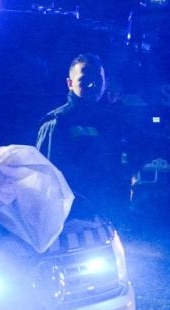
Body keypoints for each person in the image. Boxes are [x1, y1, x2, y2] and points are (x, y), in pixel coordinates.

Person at [36, 53, 127, 223]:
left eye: (98, 80)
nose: (93, 85)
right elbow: (45, 180)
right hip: (71, 218)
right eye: (85, 80)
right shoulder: (57, 122)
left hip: (106, 214)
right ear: (70, 83)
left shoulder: (111, 122)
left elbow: (117, 167)